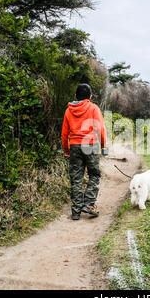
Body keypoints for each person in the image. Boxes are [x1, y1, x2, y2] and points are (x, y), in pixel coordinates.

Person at [61, 83, 107, 220]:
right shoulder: (93, 108)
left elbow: (64, 133)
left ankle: (76, 212)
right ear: (90, 96)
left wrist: (66, 149)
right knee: (94, 174)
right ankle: (88, 204)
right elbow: (100, 130)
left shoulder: (68, 111)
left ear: (75, 96)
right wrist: (104, 146)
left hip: (74, 146)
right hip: (91, 145)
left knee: (76, 178)